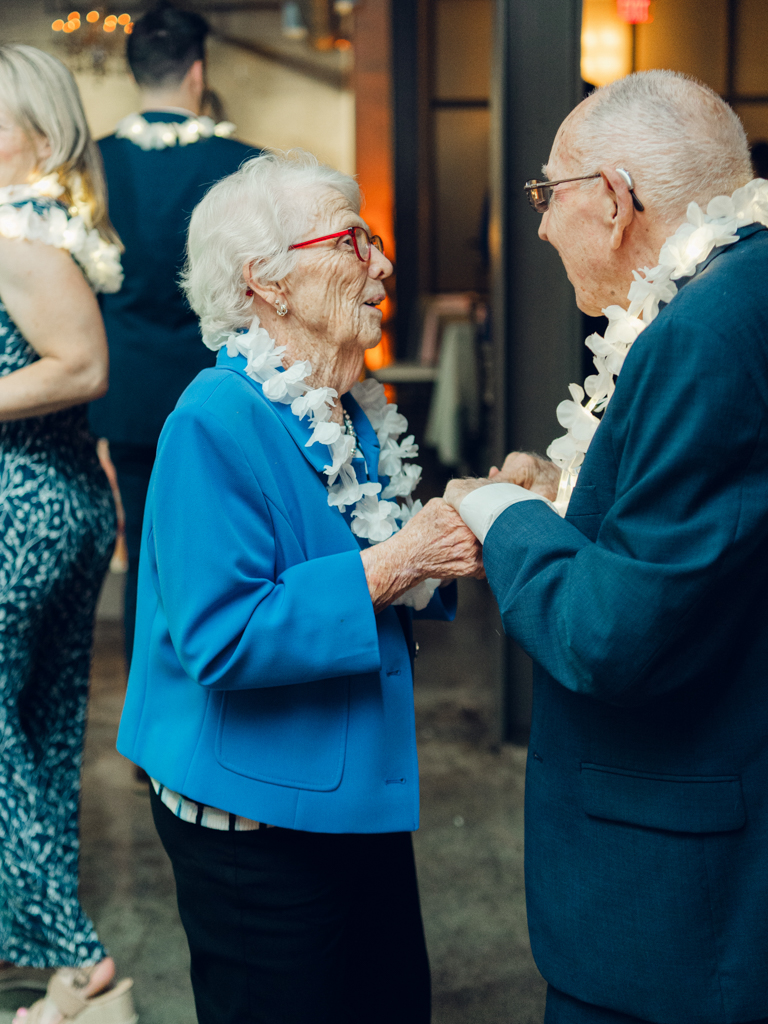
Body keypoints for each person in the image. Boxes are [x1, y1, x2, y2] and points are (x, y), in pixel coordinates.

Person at [116, 150, 483, 1024]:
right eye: (353, 241)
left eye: (374, 240)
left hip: (350, 790)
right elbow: (224, 636)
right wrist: (403, 560)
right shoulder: (213, 419)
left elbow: (380, 553)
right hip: (255, 823)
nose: (382, 263)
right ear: (268, 284)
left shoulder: (349, 406)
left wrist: (465, 520)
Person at [444, 70, 768, 1024]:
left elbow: (612, 634)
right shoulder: (737, 290)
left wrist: (501, 513)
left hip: (677, 893)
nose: (538, 225)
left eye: (550, 194)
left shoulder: (703, 333)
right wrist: (568, 498)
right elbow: (704, 529)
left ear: (618, 201)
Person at [0, 45, 136, 1024]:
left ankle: (74, 955)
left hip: (22, 505)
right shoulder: (50, 220)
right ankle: (56, 969)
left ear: (40, 137)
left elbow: (80, 364)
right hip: (64, 502)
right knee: (40, 731)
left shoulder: (14, 231)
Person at [89, 1, 260, 667]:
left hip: (126, 391)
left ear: (137, 72)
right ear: (198, 72)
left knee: (145, 555)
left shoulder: (93, 166)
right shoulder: (243, 165)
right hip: (215, 388)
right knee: (217, 548)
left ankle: (146, 730)